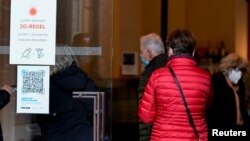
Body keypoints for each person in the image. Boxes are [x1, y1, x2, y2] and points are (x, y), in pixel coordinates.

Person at [138, 29, 212, 141]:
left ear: (170, 51)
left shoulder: (157, 76)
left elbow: (146, 117)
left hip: (163, 137)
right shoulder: (206, 78)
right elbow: (207, 106)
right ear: (193, 52)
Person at [37, 46, 99, 141]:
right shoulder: (82, 79)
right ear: (71, 58)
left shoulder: (46, 83)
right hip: (82, 135)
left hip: (55, 135)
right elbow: (96, 108)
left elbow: (41, 116)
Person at [206, 53, 249, 141]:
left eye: (241, 70)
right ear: (227, 69)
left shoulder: (241, 86)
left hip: (239, 130)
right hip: (220, 130)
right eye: (236, 70)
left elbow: (243, 109)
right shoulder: (217, 82)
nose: (239, 74)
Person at [138, 33, 168, 141]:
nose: (140, 55)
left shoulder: (149, 74)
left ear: (149, 53)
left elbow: (145, 118)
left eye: (142, 52)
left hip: (156, 134)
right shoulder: (172, 68)